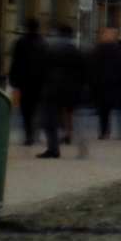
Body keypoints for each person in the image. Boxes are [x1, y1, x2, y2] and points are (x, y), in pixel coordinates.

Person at [38, 23, 86, 158]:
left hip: (54, 87)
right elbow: (82, 71)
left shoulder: (51, 49)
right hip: (71, 89)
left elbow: (43, 68)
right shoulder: (75, 51)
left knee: (50, 120)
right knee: (70, 115)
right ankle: (78, 145)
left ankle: (53, 148)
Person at [9, 18, 47, 145]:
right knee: (37, 108)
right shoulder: (43, 43)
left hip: (25, 82)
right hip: (39, 82)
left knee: (26, 110)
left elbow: (16, 63)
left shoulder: (21, 42)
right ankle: (35, 133)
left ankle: (29, 135)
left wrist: (14, 81)